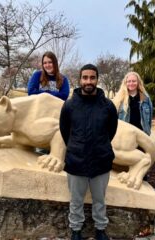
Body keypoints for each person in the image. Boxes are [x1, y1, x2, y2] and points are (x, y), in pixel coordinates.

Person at [60, 64, 118, 240]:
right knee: (76, 201)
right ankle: (76, 230)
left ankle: (100, 230)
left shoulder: (108, 106)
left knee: (100, 200)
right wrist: (76, 147)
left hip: (101, 161)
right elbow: (64, 131)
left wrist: (100, 145)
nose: (88, 81)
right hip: (76, 161)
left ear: (97, 79)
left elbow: (111, 131)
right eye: (85, 77)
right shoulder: (69, 106)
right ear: (80, 80)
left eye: (92, 77)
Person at [112, 71, 152, 136]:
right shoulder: (119, 99)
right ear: (125, 83)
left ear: (138, 82)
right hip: (124, 135)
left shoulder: (145, 98)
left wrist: (148, 133)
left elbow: (149, 119)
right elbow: (113, 119)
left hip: (142, 135)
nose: (131, 83)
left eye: (134, 81)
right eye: (129, 81)